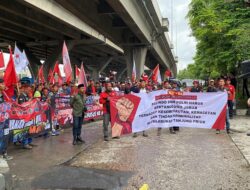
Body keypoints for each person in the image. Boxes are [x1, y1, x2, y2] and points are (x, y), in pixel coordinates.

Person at [17, 85, 34, 149]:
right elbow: (22, 106)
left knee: (30, 129)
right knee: (25, 130)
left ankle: (29, 142)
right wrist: (29, 102)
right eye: (28, 90)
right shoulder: (21, 96)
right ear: (25, 89)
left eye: (30, 90)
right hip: (23, 116)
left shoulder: (27, 96)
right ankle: (25, 143)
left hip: (29, 115)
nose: (29, 91)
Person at [0, 79, 13, 160]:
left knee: (5, 136)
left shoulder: (4, 95)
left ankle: (4, 153)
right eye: (2, 83)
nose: (4, 85)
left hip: (6, 120)